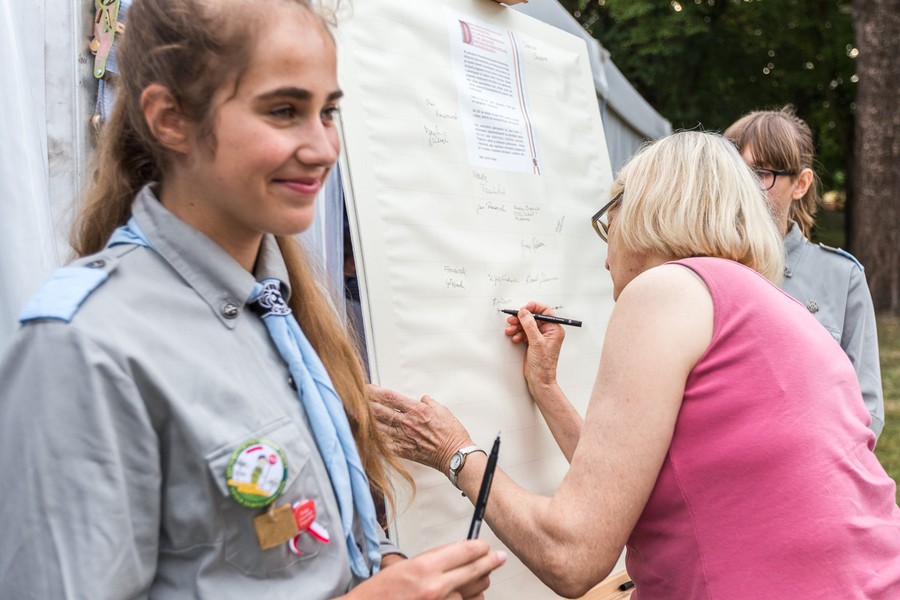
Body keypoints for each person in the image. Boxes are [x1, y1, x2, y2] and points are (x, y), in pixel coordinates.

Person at [0, 0, 506, 597]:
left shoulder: (283, 310)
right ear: (170, 119)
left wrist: (391, 570)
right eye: (284, 111)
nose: (323, 148)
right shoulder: (83, 345)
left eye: (328, 112)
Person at [370, 131, 900, 599]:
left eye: (609, 223)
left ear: (646, 209)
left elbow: (573, 556)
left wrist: (454, 453)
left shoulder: (667, 288)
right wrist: (548, 388)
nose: (604, 257)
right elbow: (633, 485)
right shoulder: (774, 306)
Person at [725, 107, 884, 439]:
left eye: (760, 173)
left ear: (800, 183)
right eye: (733, 172)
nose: (743, 188)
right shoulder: (701, 270)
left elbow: (866, 410)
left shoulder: (842, 278)